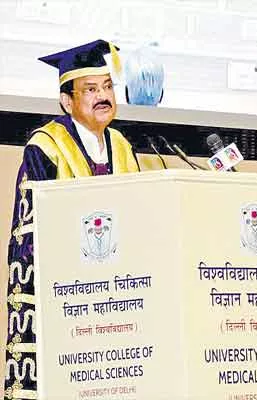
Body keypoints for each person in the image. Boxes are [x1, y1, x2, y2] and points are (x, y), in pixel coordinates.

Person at [5, 39, 140, 399]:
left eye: (108, 88)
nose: (103, 97)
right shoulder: (47, 146)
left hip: (118, 297)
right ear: (67, 101)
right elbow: (30, 230)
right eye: (91, 89)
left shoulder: (123, 147)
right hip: (68, 299)